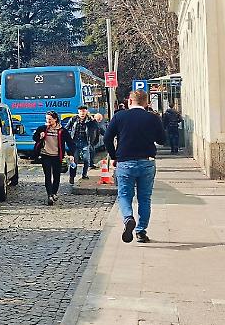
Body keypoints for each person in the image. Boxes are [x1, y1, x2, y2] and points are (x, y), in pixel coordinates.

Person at [104, 90, 166, 244]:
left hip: (124, 162)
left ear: (129, 101)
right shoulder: (153, 118)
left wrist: (114, 156)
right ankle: (141, 231)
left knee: (124, 195)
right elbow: (162, 140)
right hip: (147, 161)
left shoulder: (119, 116)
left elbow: (107, 138)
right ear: (146, 103)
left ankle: (128, 218)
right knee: (145, 198)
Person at [33, 111, 72, 206]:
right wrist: (40, 136)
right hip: (45, 154)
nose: (48, 121)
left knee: (56, 176)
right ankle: (49, 195)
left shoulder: (62, 130)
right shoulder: (42, 128)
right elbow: (34, 137)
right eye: (47, 119)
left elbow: (70, 142)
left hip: (57, 156)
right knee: (47, 175)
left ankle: (54, 192)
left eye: (50, 119)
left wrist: (71, 154)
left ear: (55, 119)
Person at [67, 106, 101, 182]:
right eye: (80, 112)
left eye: (84, 111)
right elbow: (67, 128)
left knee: (86, 160)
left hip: (85, 142)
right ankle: (72, 176)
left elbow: (97, 128)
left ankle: (84, 175)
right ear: (78, 112)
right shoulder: (74, 119)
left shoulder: (90, 120)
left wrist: (93, 120)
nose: (82, 113)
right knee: (74, 161)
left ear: (86, 112)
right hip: (75, 142)